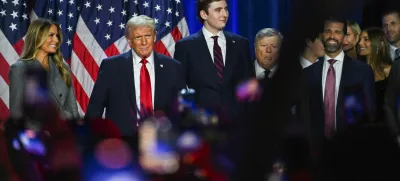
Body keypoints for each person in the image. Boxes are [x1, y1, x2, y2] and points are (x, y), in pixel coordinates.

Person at [85, 15, 182, 136]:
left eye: (148, 36)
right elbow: (95, 109)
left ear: (155, 36)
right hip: (121, 141)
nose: (144, 42)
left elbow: (179, 109)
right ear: (129, 41)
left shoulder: (172, 67)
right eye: (138, 37)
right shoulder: (111, 66)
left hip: (161, 141)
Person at [304, 17, 375, 179]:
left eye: (337, 32)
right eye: (328, 31)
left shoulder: (362, 71)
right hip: (316, 154)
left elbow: (370, 112)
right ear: (321, 35)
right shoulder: (308, 73)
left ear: (344, 37)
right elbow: (304, 114)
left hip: (352, 153)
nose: (332, 36)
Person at [174, 0, 253, 118]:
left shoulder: (240, 44)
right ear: (204, 14)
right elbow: (178, 87)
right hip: (200, 121)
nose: (225, 14)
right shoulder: (185, 46)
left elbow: (248, 84)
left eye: (226, 9)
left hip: (236, 121)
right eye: (218, 10)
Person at [8, 18, 79, 121]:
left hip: (64, 133)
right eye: (51, 35)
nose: (56, 40)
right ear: (37, 37)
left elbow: (72, 108)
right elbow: (17, 115)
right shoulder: (19, 69)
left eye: (57, 36)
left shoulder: (63, 68)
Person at [358, 27, 392, 123]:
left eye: (366, 39)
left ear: (380, 43)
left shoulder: (392, 71)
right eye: (360, 39)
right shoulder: (357, 71)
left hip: (386, 128)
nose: (360, 43)